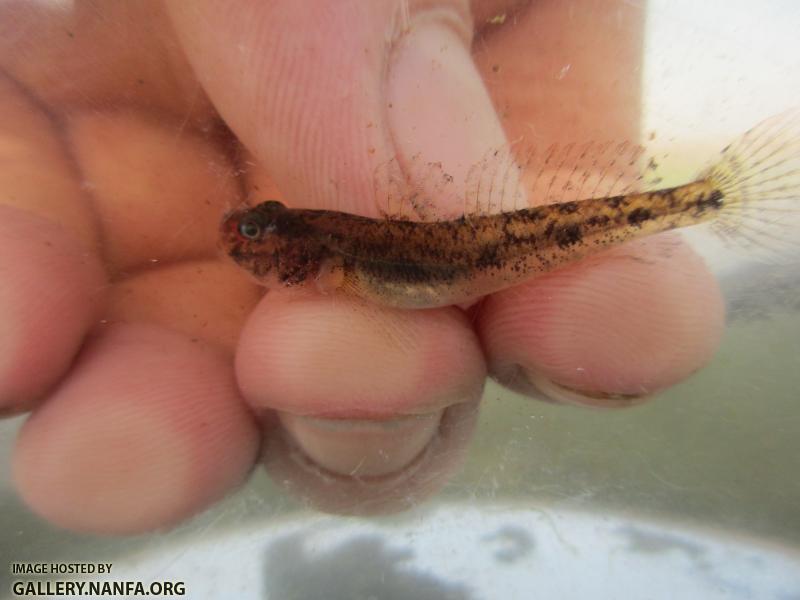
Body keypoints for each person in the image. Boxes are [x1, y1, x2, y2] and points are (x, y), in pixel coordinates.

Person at [0, 0, 723, 534]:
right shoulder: (330, 262)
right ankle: (692, 202)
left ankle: (699, 200)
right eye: (252, 234)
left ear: (299, 255)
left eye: (256, 235)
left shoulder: (336, 261)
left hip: (492, 244)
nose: (243, 245)